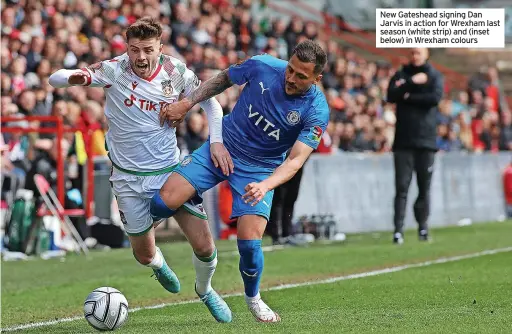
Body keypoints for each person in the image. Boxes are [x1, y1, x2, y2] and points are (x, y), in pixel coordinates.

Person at [48, 17, 233, 323]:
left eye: (148, 49)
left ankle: (205, 289)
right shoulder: (113, 69)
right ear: (127, 48)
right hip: (127, 179)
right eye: (134, 50)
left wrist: (216, 142)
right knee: (144, 255)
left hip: (171, 173)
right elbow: (57, 77)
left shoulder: (176, 72)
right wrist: (76, 78)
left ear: (160, 47)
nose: (141, 57)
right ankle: (159, 266)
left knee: (204, 245)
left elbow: (212, 105)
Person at [151, 40, 329, 322]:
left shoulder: (317, 111)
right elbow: (223, 79)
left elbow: (295, 160)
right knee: (161, 203)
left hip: (259, 171)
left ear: (317, 78)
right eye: (291, 70)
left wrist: (266, 185)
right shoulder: (264, 65)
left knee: (249, 243)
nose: (291, 78)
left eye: (301, 76)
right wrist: (188, 104)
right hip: (222, 149)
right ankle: (174, 228)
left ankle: (253, 298)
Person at [387, 48, 443, 244]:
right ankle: (398, 230)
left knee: (423, 188)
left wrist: (409, 97)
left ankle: (422, 227)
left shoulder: (434, 75)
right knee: (402, 187)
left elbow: (434, 99)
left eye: (418, 52)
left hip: (426, 140)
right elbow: (391, 94)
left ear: (426, 54)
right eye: (412, 52)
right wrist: (411, 83)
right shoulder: (402, 74)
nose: (414, 56)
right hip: (403, 141)